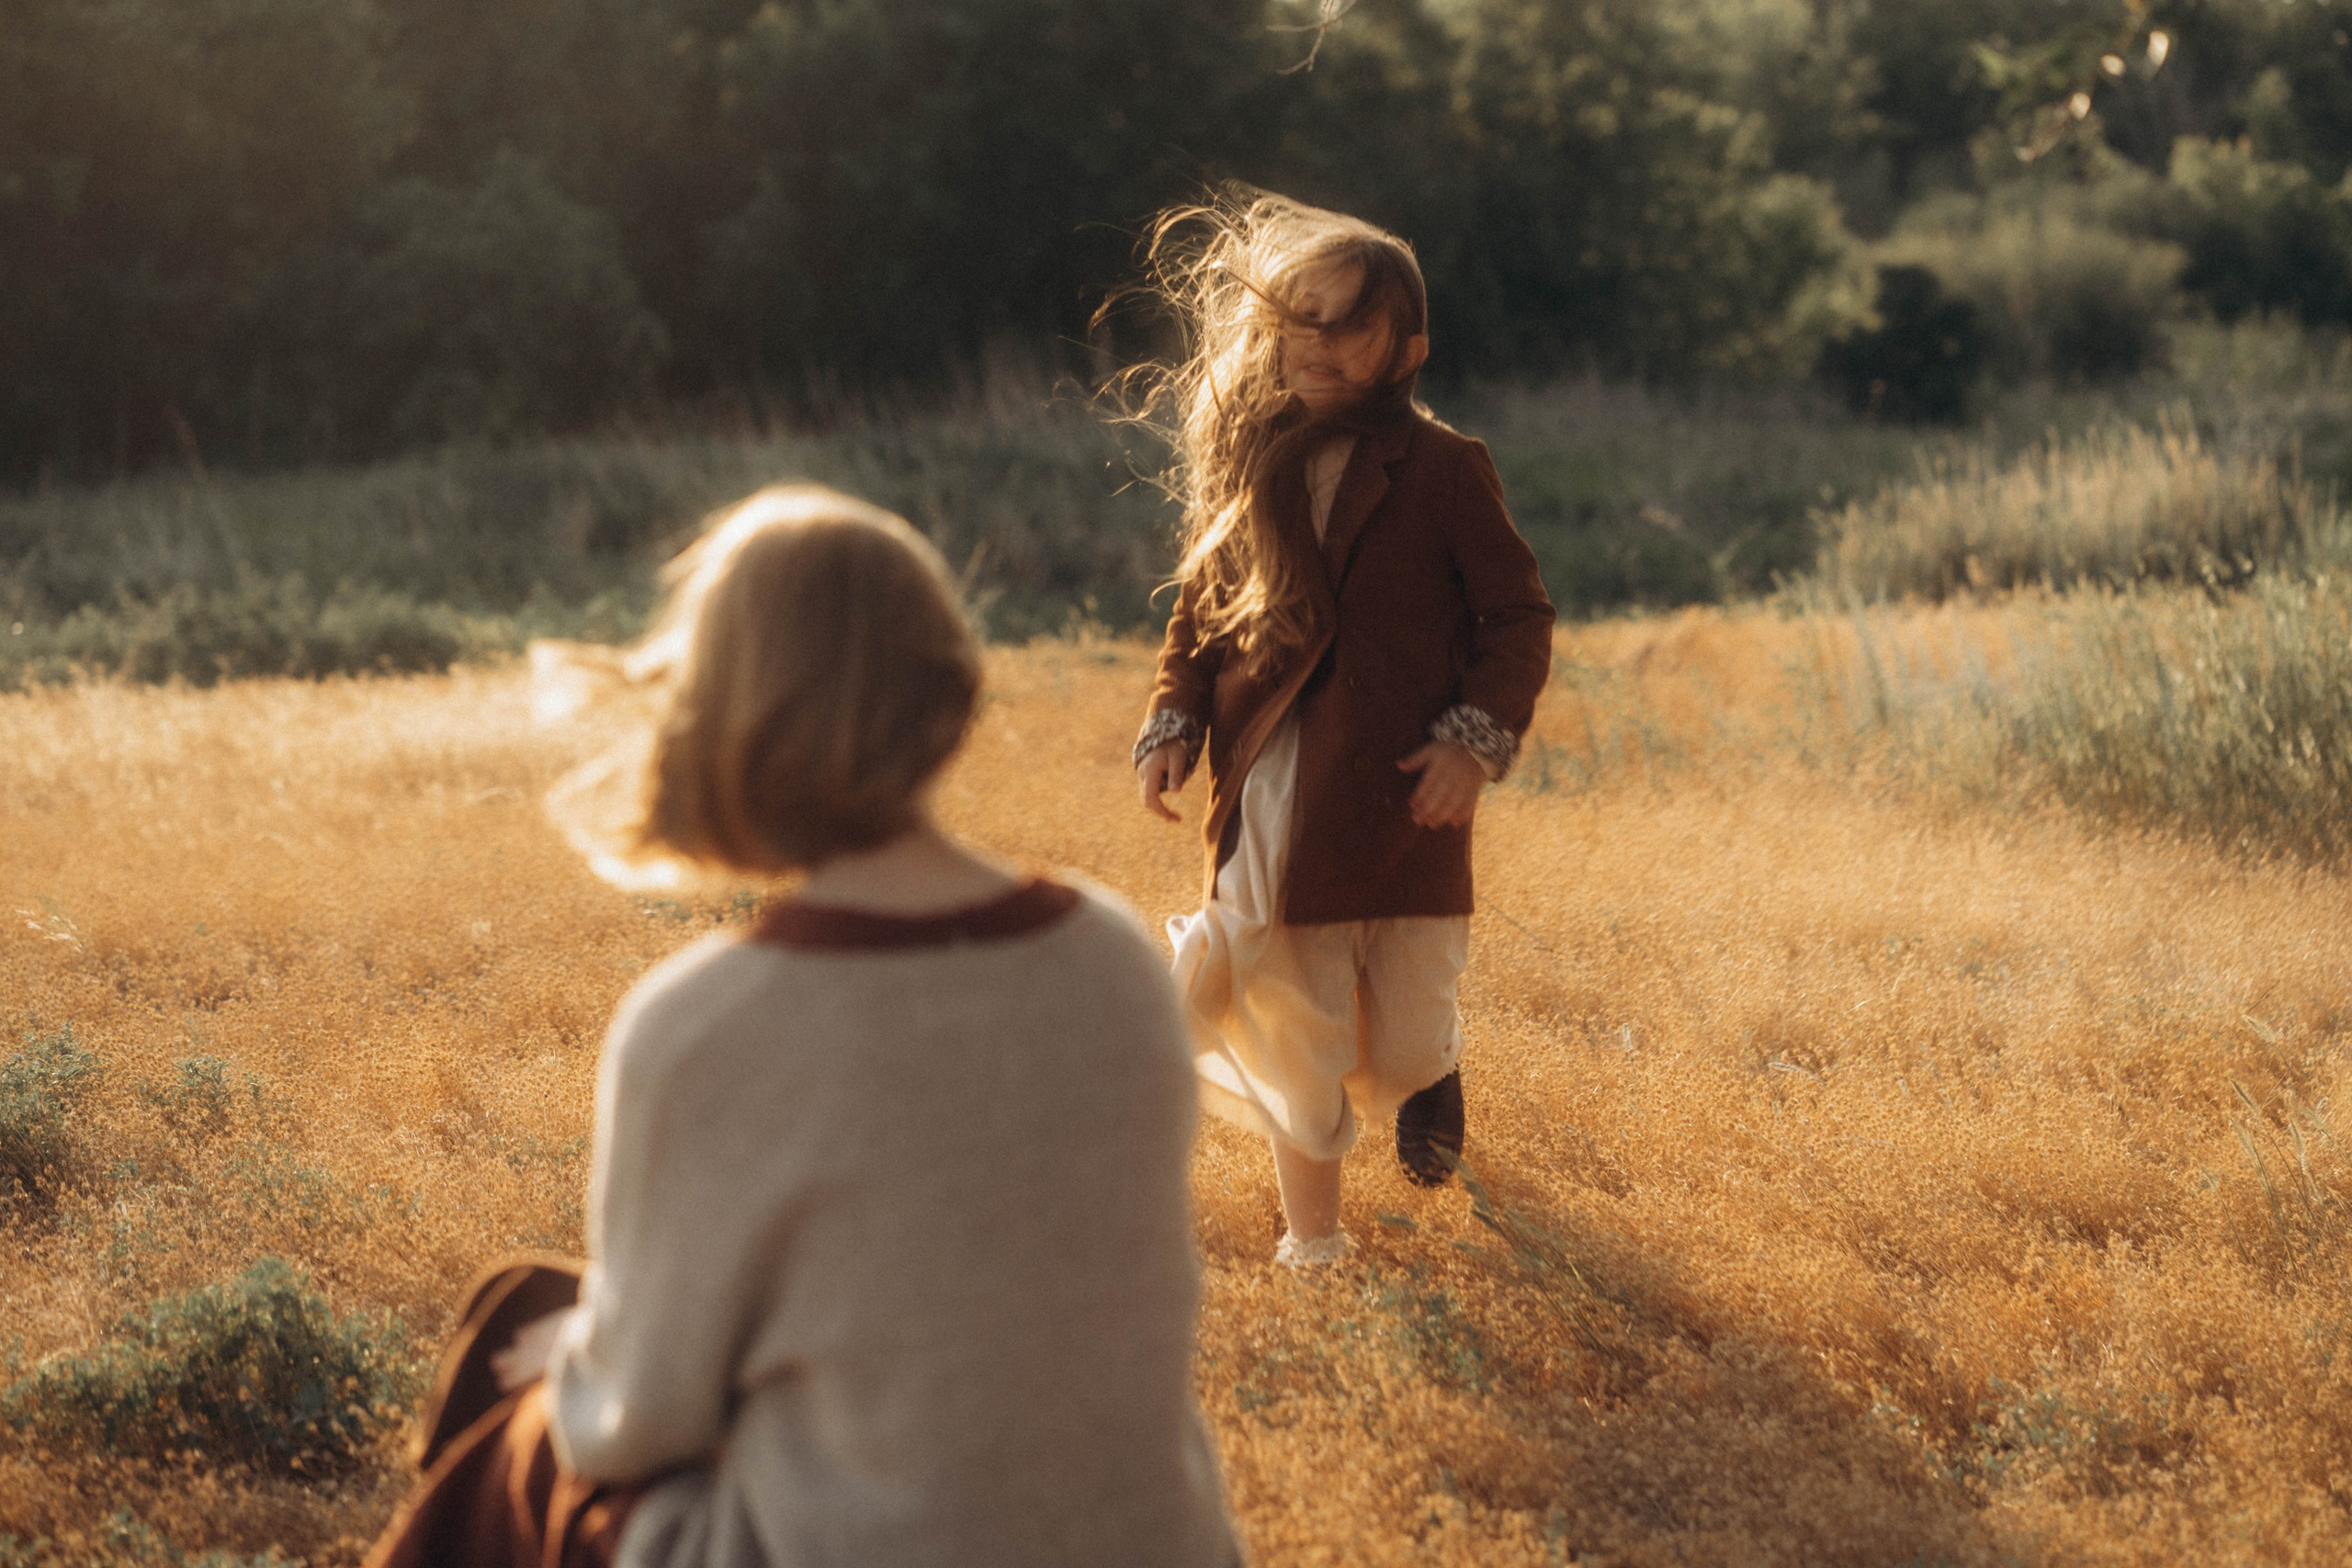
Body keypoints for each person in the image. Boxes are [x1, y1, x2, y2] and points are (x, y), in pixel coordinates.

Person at [365, 485, 1241, 1568]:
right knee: (543, 1315)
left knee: (514, 1425)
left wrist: (567, 1360)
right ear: (948, 693)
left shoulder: (699, 1027)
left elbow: (639, 1420)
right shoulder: (1114, 960)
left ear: (722, 718)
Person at [1125, 194, 1554, 1269]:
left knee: (1400, 1032)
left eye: (1344, 325)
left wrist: (1473, 740)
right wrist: (1173, 715)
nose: (1312, 345)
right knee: (1295, 1024)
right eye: (1296, 320)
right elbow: (1198, 612)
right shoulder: (1250, 463)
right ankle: (1311, 1246)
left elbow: (1516, 618)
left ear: (1405, 348)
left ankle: (1433, 1067)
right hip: (1273, 787)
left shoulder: (1448, 469)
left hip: (1405, 788)